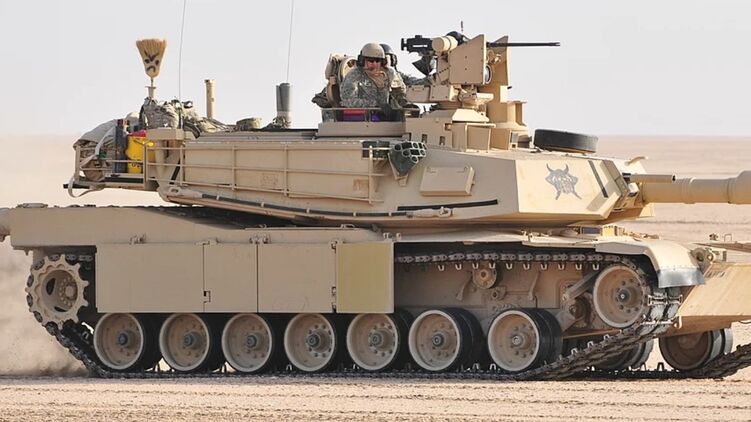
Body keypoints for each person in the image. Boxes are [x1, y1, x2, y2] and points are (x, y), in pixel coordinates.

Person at [340, 43, 407, 109]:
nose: (374, 64)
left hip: (385, 114)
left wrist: (404, 103)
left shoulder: (390, 73)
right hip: (362, 115)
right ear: (362, 61)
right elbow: (348, 101)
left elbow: (400, 93)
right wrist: (375, 105)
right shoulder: (354, 75)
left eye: (377, 61)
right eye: (371, 61)